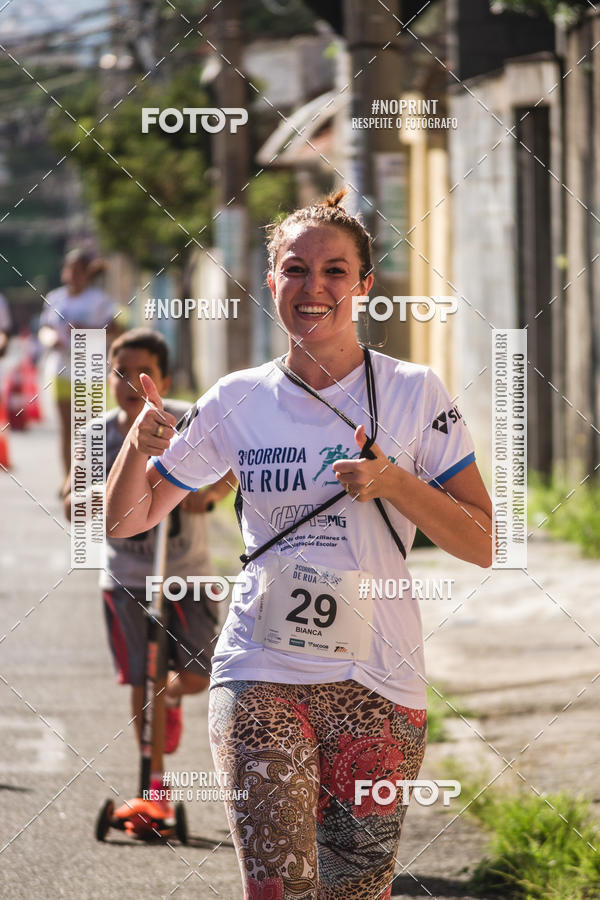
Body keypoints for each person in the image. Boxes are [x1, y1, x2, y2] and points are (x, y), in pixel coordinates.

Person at [106, 191, 492, 897]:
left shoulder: (413, 392)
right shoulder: (235, 398)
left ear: (364, 286)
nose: (314, 287)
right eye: (295, 269)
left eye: (336, 271)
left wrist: (393, 483)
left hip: (381, 680)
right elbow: (126, 519)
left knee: (356, 890)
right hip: (260, 668)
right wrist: (138, 444)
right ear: (270, 281)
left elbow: (481, 541)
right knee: (276, 887)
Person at [64, 328, 233, 818]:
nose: (129, 385)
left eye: (142, 375)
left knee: (198, 677)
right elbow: (72, 496)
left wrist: (211, 496)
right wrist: (101, 500)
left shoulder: (185, 417)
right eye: (120, 373)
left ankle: (173, 702)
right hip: (127, 576)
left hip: (186, 571)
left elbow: (230, 469)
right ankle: (153, 792)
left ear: (163, 378)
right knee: (143, 681)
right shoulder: (98, 434)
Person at [39, 248, 117, 478]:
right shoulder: (55, 298)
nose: (74, 274)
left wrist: (86, 330)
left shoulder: (99, 300)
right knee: (67, 430)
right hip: (62, 370)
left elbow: (114, 329)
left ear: (87, 273)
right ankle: (68, 481)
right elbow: (45, 328)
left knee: (90, 429)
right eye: (70, 269)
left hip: (92, 371)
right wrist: (50, 339)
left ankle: (91, 478)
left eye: (79, 270)